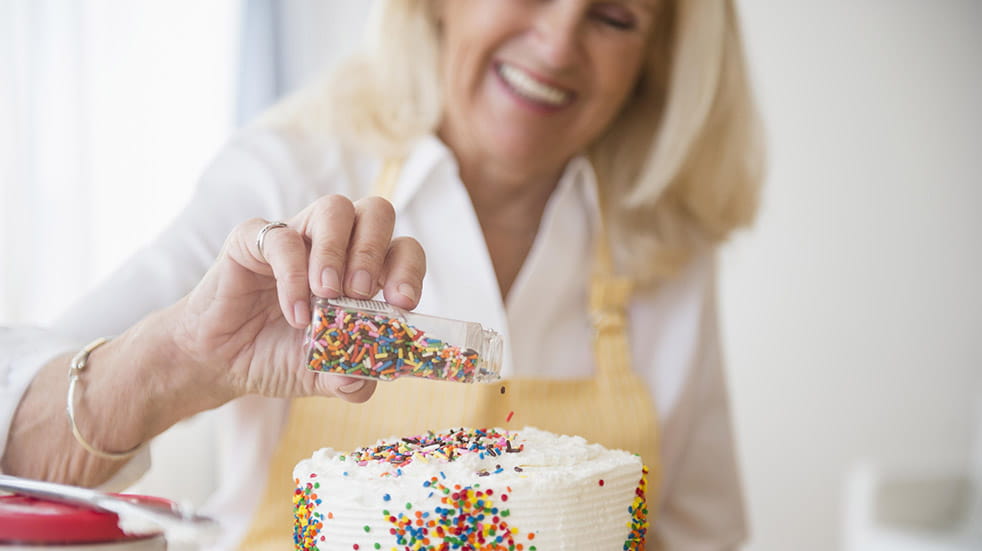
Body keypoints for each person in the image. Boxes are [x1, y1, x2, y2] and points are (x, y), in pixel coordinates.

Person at [0, 0, 763, 548]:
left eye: (616, 17)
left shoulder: (662, 248)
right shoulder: (287, 176)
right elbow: (17, 452)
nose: (560, 41)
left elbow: (699, 535)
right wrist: (182, 359)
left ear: (655, 60)